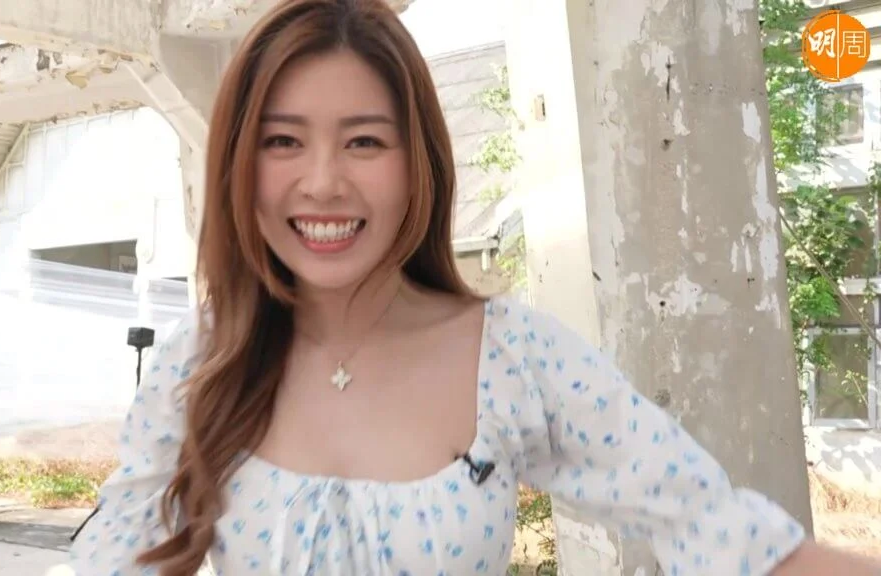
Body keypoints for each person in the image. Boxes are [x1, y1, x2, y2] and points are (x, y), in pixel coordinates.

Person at [68, 0, 881, 574]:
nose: (323, 182)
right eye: (283, 142)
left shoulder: (515, 356)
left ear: (416, 162)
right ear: (239, 164)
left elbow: (725, 536)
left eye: (364, 142)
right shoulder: (201, 364)